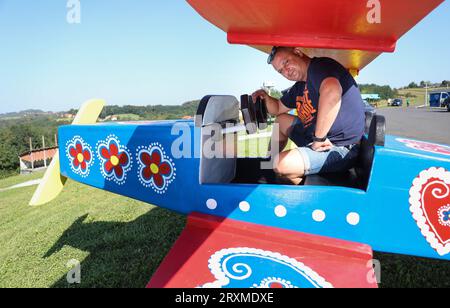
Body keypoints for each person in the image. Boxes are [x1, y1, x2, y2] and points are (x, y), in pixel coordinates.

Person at [252, 47, 365, 185]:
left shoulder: (319, 67)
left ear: (298, 52)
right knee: (281, 120)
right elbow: (277, 108)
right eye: (280, 71)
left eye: (286, 62)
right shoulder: (300, 86)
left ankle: (306, 191)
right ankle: (268, 162)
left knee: (281, 164)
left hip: (340, 147)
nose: (286, 71)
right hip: (316, 138)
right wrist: (265, 96)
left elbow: (332, 91)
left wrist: (319, 139)